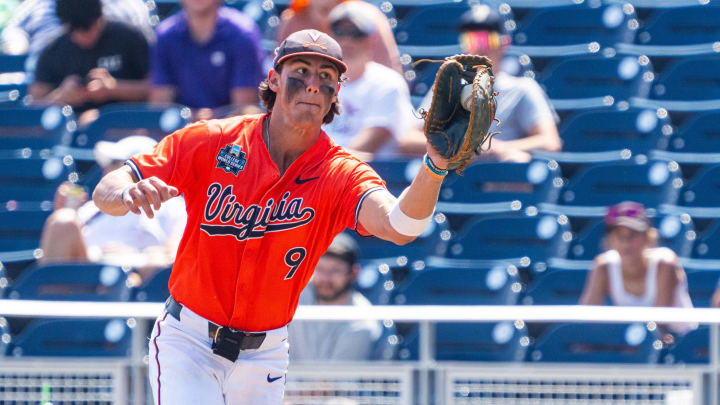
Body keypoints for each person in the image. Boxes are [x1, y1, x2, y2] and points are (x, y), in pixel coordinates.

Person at [92, 29, 448, 404]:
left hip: (266, 353)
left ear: (336, 94)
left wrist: (434, 166)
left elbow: (401, 226)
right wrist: (125, 193)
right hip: (190, 341)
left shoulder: (339, 173)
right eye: (301, 70)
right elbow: (107, 190)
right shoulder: (213, 140)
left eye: (326, 77)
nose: (313, 84)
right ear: (273, 79)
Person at [410, 4, 561, 162]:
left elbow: (550, 142)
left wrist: (496, 148)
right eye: (472, 40)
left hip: (500, 177)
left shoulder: (523, 89)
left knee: (517, 159)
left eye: (488, 39)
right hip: (452, 178)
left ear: (505, 43)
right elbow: (409, 139)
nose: (479, 49)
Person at [39, 135, 186, 284]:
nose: (106, 170)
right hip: (84, 280)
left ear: (142, 169)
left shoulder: (174, 208)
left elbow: (172, 260)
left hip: (134, 283)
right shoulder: (92, 208)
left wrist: (130, 259)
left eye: (115, 163)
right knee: (62, 222)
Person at [579, 201, 697, 338]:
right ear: (609, 240)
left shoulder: (665, 263)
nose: (625, 242)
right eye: (619, 235)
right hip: (635, 344)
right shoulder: (603, 266)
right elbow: (587, 318)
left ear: (648, 237)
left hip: (678, 342)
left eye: (633, 235)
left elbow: (661, 323)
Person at [322, 2, 417, 160]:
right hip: (320, 172)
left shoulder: (388, 83)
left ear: (371, 41)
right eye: (339, 32)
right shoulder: (315, 81)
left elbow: (369, 142)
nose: (347, 40)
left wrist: (314, 162)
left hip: (371, 178)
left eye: (356, 33)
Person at [28, 0, 150, 121]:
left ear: (100, 16)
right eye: (77, 30)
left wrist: (113, 88)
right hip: (71, 129)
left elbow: (156, 89)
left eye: (90, 27)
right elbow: (34, 111)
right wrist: (60, 96)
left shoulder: (129, 38)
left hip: (125, 125)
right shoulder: (53, 50)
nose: (85, 35)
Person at [149, 0, 265, 119]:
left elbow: (243, 110)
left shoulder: (243, 34)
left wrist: (200, 121)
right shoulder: (165, 34)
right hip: (180, 133)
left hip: (229, 133)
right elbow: (160, 106)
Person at [288, 233, 382, 361]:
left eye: (335, 270)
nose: (326, 278)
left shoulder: (362, 323)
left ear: (354, 273)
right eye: (320, 269)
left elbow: (335, 379)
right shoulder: (296, 295)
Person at [1, 0, 154, 78]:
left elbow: (148, 58)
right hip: (53, 84)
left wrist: (116, 88)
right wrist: (17, 49)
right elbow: (13, 33)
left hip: (119, 98)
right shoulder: (36, 4)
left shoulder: (126, 6)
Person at [276, 0, 402, 74]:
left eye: (354, 34)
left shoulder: (370, 19)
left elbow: (390, 77)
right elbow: (279, 75)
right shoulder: (291, 20)